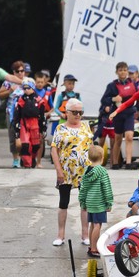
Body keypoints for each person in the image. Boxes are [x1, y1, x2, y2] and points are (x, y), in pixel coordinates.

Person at [50, 98, 92, 247]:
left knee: (85, 203)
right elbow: (54, 149)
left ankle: (85, 234)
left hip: (85, 171)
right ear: (67, 113)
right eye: (75, 112)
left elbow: (92, 148)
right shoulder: (60, 128)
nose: (78, 115)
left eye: (81, 112)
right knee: (63, 202)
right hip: (66, 170)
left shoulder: (86, 126)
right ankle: (60, 234)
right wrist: (58, 170)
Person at [100, 62, 138, 169]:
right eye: (120, 70)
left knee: (129, 137)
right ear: (117, 72)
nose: (123, 72)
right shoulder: (112, 86)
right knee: (118, 138)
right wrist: (113, 99)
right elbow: (104, 100)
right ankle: (115, 163)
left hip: (130, 113)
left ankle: (129, 162)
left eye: (125, 70)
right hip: (118, 114)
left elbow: (138, 97)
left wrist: (138, 110)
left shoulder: (133, 83)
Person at [79, 145, 114, 258]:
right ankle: (94, 249)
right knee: (97, 225)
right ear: (102, 157)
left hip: (89, 202)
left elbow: (83, 188)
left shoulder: (86, 171)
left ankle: (91, 246)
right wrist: (109, 202)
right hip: (99, 203)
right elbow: (106, 187)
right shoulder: (102, 171)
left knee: (92, 225)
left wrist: (83, 202)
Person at [13, 77, 51, 167]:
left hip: (35, 124)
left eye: (28, 88)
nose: (26, 90)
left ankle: (32, 159)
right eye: (24, 88)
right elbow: (17, 116)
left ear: (32, 88)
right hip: (24, 124)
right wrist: (17, 130)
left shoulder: (39, 100)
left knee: (36, 145)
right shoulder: (21, 100)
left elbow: (42, 116)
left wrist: (43, 129)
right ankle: (26, 163)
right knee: (25, 144)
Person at [0, 60, 27, 168]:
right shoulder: (8, 82)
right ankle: (16, 159)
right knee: (13, 136)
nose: (20, 73)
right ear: (13, 72)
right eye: (17, 71)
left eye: (22, 71)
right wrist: (10, 90)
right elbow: (0, 95)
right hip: (11, 113)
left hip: (25, 113)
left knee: (26, 136)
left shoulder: (28, 82)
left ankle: (26, 158)